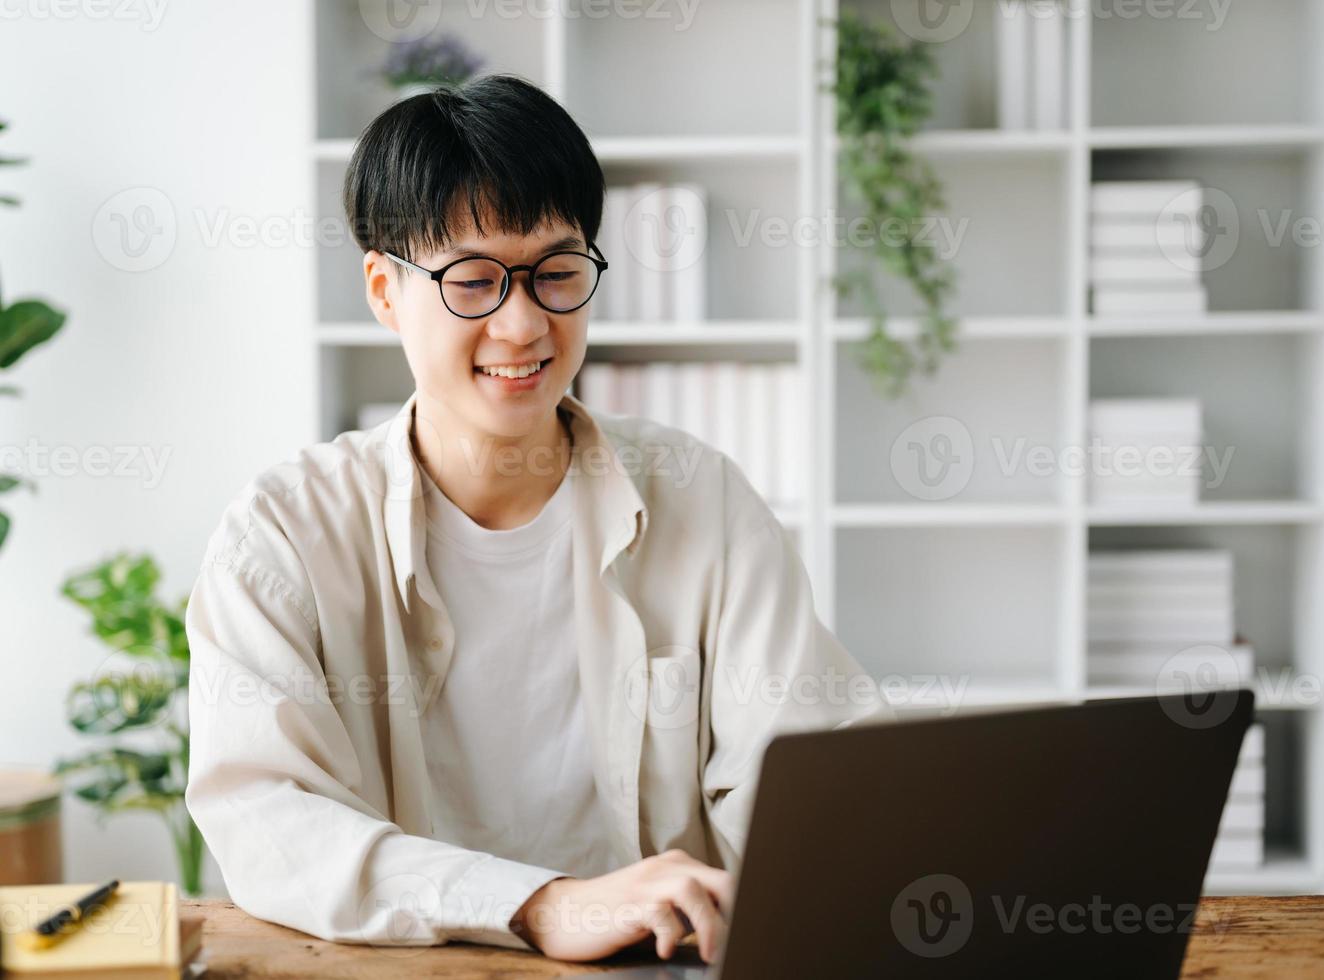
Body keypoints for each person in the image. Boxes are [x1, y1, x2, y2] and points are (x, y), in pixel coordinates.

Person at [182, 73, 893, 966]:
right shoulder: (282, 535)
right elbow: (266, 822)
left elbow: (818, 782)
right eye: (473, 281)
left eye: (557, 273)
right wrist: (539, 905)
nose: (523, 325)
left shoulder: (700, 499)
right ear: (383, 291)